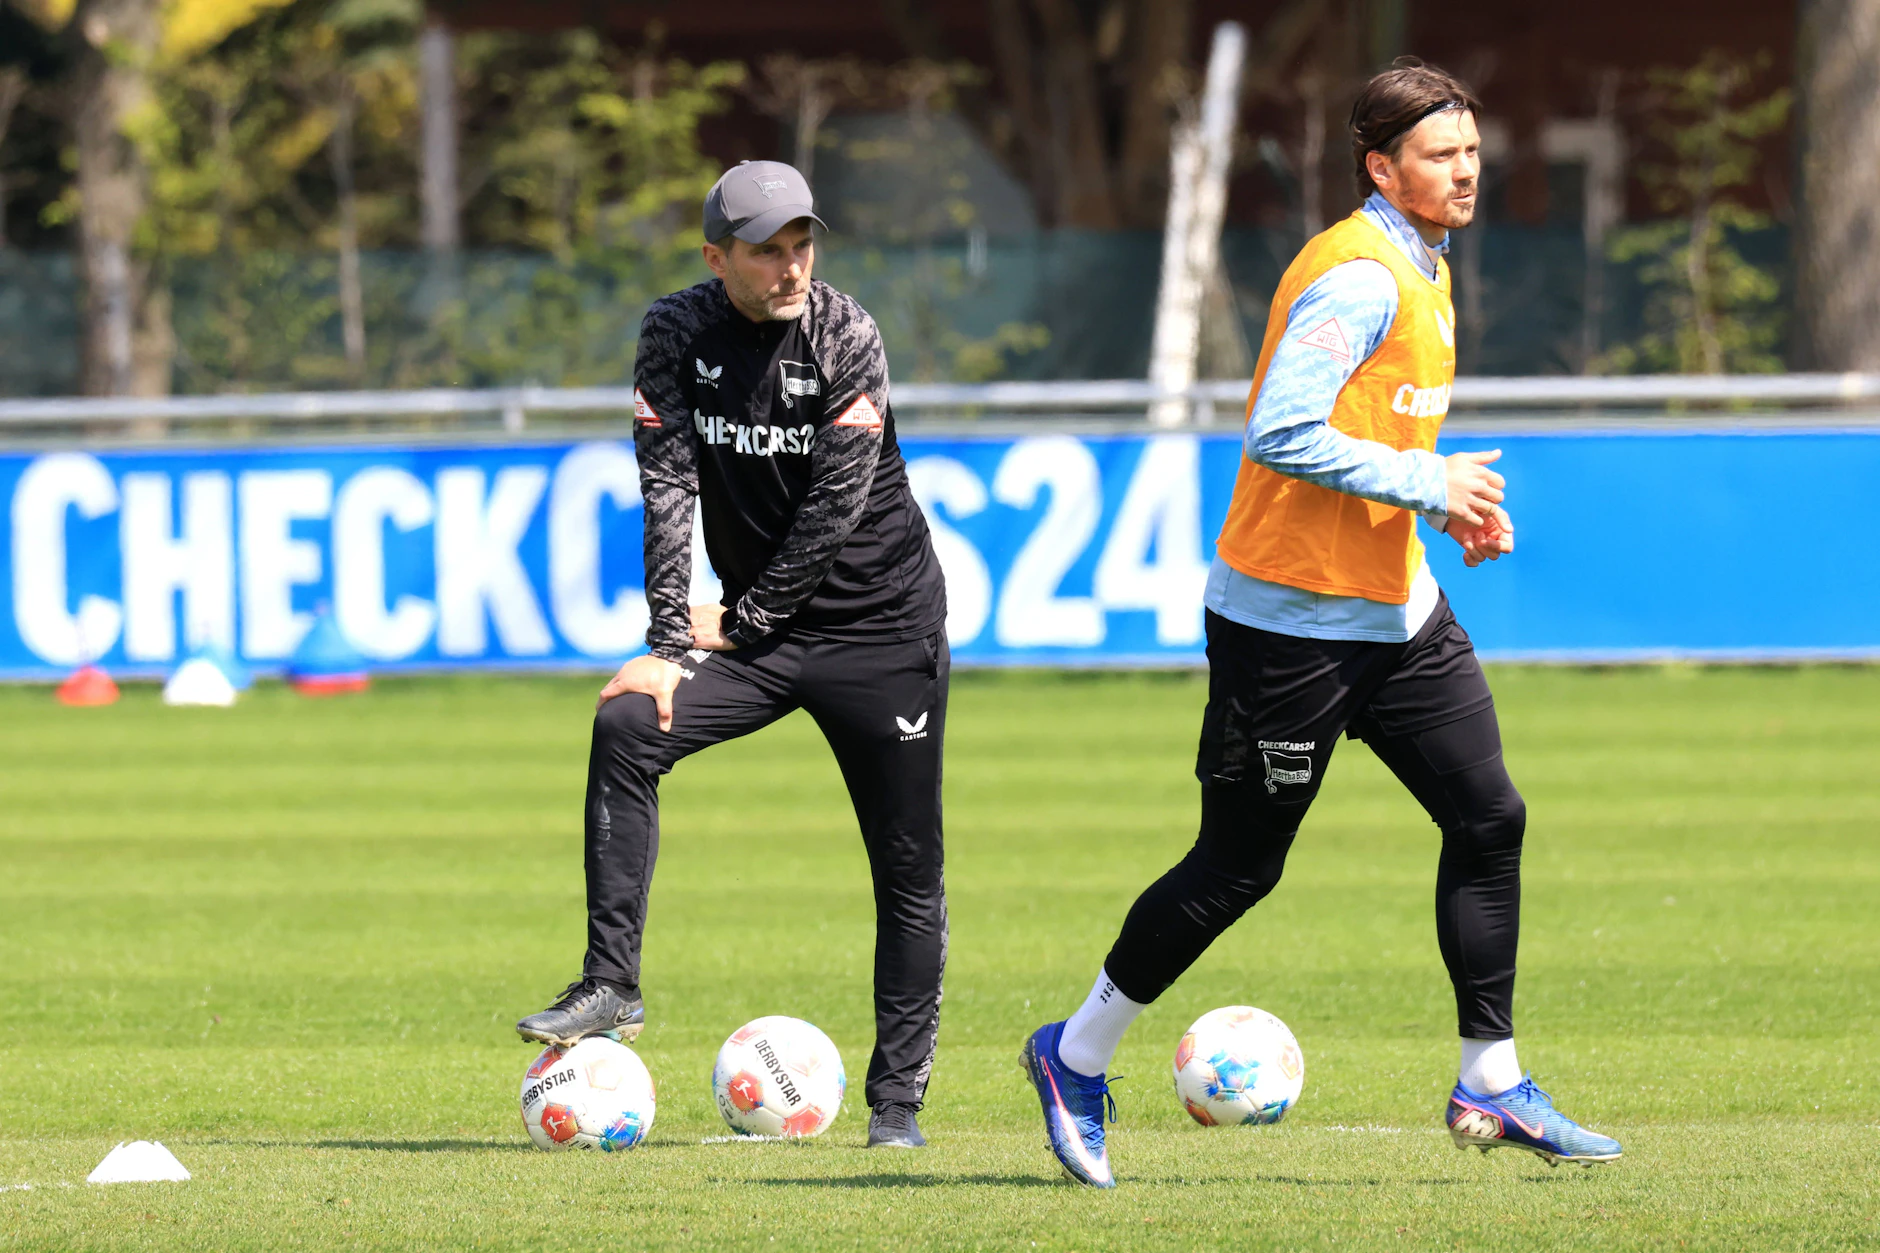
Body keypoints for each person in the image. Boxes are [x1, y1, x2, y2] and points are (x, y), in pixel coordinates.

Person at [1019, 60, 1621, 1187]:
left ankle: (1488, 1075)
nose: (1464, 175)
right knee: (1239, 865)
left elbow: (1375, 438)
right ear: (1380, 167)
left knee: (1488, 815)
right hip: (1287, 626)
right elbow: (1279, 433)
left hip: (1396, 613)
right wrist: (1425, 480)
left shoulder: (1422, 264)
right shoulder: (1356, 273)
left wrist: (1443, 509)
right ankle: (1074, 1051)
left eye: (1473, 156)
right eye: (1441, 157)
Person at [514, 160, 950, 1151]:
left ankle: (895, 1107)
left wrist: (738, 623)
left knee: (906, 867)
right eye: (765, 248)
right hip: (754, 629)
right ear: (717, 258)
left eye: (802, 241)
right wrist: (669, 642)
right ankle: (609, 984)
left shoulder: (847, 334)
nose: (790, 264)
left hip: (880, 631)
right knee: (629, 719)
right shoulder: (676, 331)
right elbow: (665, 483)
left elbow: (832, 515)